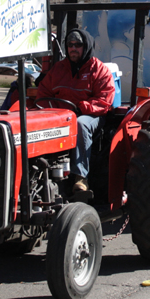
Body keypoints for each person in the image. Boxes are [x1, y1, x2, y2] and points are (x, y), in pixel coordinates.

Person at [36, 29, 115, 193]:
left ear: (86, 46)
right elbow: (43, 93)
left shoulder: (99, 70)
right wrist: (51, 112)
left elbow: (104, 100)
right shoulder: (58, 69)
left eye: (78, 45)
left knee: (80, 124)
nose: (73, 48)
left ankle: (80, 177)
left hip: (89, 115)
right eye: (70, 45)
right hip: (61, 115)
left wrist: (80, 108)